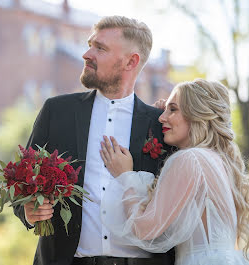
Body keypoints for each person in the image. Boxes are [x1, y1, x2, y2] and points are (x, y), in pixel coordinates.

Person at [14, 15, 175, 265]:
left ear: (131, 61)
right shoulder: (56, 112)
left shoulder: (162, 126)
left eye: (100, 48)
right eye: (90, 44)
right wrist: (28, 210)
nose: (86, 54)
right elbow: (21, 183)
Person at [99, 79, 249, 265]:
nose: (161, 117)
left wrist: (125, 176)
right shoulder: (217, 159)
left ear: (196, 114)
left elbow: (145, 229)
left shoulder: (189, 159)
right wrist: (168, 112)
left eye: (173, 109)